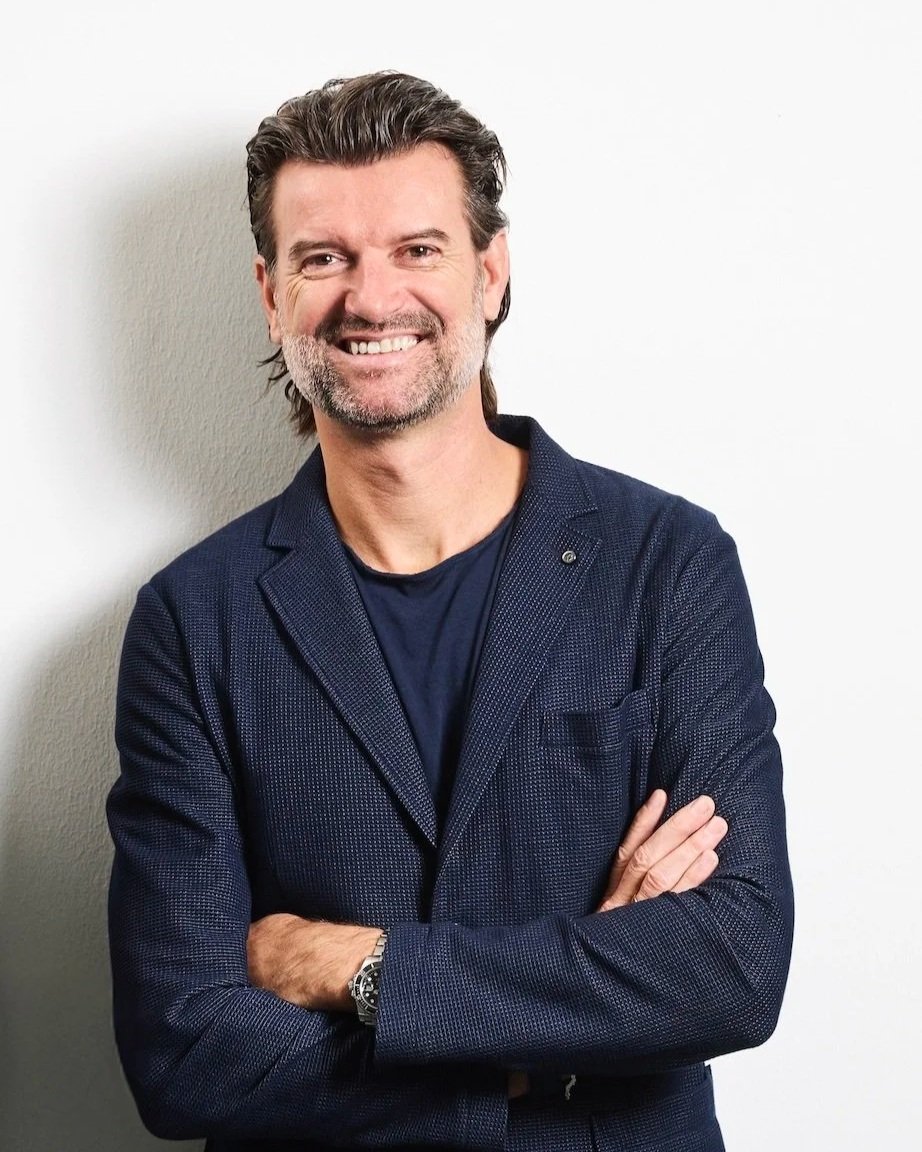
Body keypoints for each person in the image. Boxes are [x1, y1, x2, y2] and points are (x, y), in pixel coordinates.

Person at [107, 71, 794, 1152]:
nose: (371, 298)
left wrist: (354, 968)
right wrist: (551, 1042)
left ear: (490, 271)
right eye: (322, 257)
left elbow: (729, 967)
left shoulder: (668, 563)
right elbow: (183, 1051)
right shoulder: (195, 619)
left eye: (416, 250)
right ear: (269, 291)